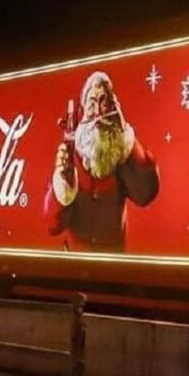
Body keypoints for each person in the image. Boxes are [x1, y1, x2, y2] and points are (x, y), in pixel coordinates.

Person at [44, 70, 160, 251]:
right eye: (91, 104)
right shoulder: (71, 155)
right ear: (82, 112)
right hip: (73, 267)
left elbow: (146, 193)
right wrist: (63, 183)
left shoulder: (120, 155)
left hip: (112, 267)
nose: (98, 112)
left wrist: (124, 134)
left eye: (103, 102)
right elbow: (53, 225)